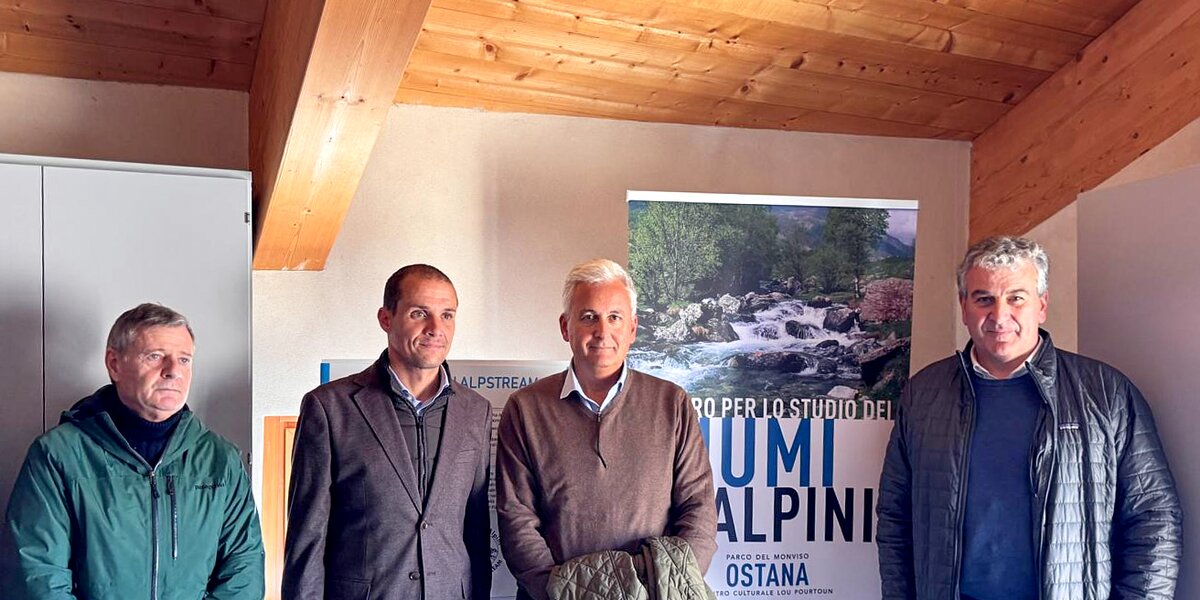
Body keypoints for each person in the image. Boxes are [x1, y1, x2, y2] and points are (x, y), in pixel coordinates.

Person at [877, 236, 1183, 600]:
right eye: (983, 299)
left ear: (1042, 304)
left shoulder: (1106, 392)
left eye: (1016, 298)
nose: (999, 315)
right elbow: (895, 519)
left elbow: (1154, 518)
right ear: (963, 306)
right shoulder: (924, 393)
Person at [5, 302, 264, 599]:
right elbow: (37, 575)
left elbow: (243, 569)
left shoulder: (221, 460)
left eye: (184, 359)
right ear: (115, 364)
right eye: (155, 356)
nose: (172, 371)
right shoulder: (57, 455)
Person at [496, 258, 717, 600]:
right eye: (588, 317)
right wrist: (565, 594)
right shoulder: (525, 408)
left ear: (632, 328)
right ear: (565, 327)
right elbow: (517, 521)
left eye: (615, 317)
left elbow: (698, 510)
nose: (602, 331)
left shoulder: (672, 404)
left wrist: (666, 589)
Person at [283, 264, 492, 600]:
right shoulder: (329, 408)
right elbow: (306, 538)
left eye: (447, 315)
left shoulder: (475, 411)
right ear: (386, 319)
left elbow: (477, 531)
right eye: (419, 313)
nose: (436, 328)